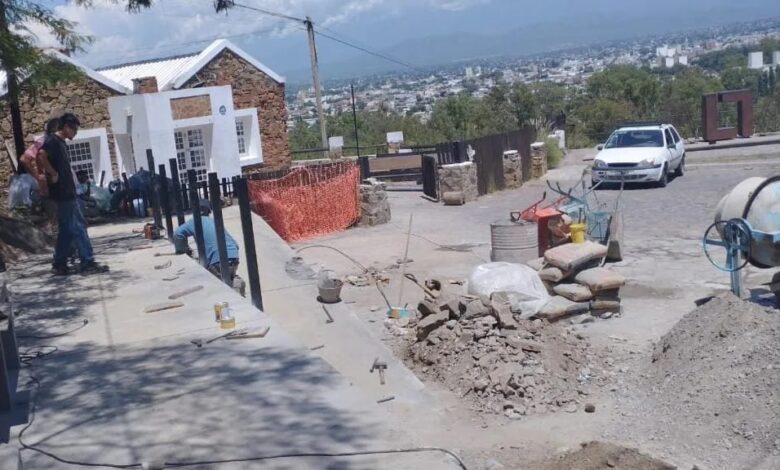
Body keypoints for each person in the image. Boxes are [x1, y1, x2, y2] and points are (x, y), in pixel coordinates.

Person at [40, 113, 108, 276]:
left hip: (67, 191)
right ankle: (87, 262)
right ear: (65, 128)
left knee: (66, 230)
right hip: (63, 193)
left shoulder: (61, 143)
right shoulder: (52, 141)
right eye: (74, 129)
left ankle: (59, 264)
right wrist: (52, 173)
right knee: (78, 227)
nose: (76, 133)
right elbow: (41, 156)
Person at [174, 200, 245, 295]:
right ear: (209, 211)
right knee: (227, 275)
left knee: (218, 284)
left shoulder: (194, 222)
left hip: (217, 259)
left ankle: (235, 286)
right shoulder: (215, 222)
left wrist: (182, 250)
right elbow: (235, 244)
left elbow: (178, 233)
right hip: (233, 255)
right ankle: (235, 281)